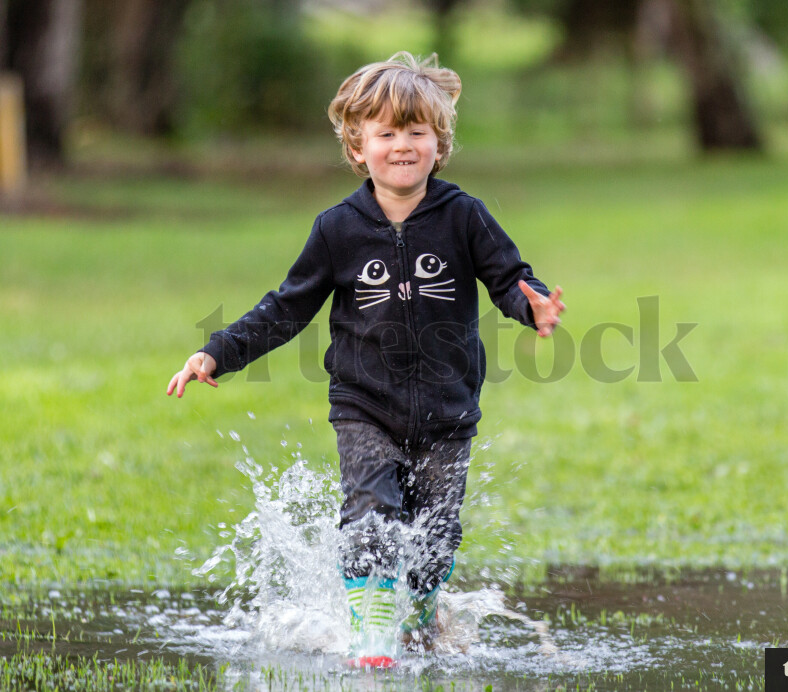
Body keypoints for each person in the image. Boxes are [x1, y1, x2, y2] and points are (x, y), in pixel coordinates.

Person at [167, 51, 565, 667]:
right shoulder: (337, 229)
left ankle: (423, 611)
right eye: (386, 133)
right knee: (371, 513)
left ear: (440, 143)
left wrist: (530, 306)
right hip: (364, 406)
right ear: (359, 148)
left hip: (448, 412)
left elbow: (510, 277)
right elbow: (286, 307)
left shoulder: (464, 216)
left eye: (416, 132)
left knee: (435, 540)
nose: (402, 145)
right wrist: (216, 352)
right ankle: (373, 636)